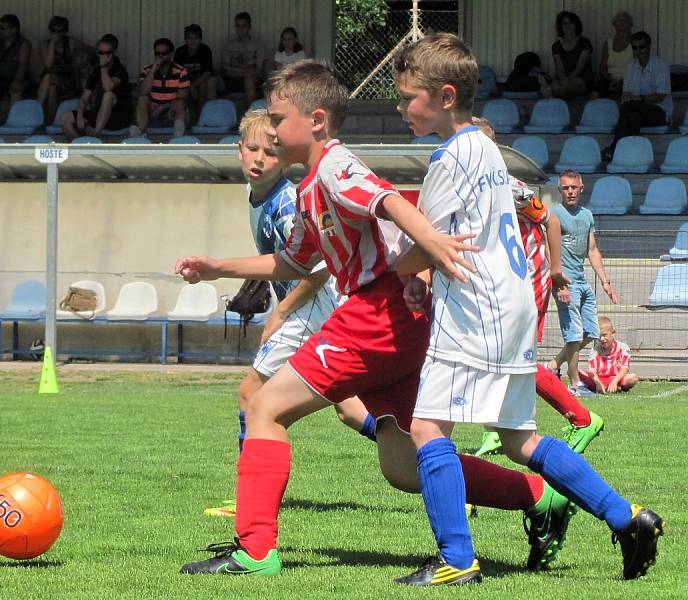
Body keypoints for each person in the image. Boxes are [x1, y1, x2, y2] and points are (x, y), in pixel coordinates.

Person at [177, 59, 580, 579]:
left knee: (264, 407)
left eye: (278, 120)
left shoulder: (337, 168)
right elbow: (295, 263)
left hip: (377, 313)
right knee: (404, 466)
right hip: (394, 321)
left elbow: (388, 199)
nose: (271, 131)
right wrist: (216, 267)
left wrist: (430, 243)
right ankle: (538, 498)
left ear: (316, 121)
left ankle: (256, 551)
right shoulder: (309, 188)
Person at [393, 33, 662, 586]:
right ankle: (627, 516)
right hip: (511, 302)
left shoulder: (449, 157)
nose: (400, 108)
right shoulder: (488, 149)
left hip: (475, 305)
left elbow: (430, 239)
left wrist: (405, 270)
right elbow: (519, 215)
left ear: (445, 96)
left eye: (407, 97)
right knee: (518, 438)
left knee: (426, 427)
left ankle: (456, 559)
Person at [203, 108, 378, 518]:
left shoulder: (285, 202)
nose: (259, 158)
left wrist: (280, 311)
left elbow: (317, 266)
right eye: (252, 149)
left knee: (252, 392)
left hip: (313, 308)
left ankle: (251, 497)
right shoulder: (259, 197)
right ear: (238, 151)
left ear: (284, 158)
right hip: (321, 309)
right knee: (351, 409)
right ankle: (442, 469)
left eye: (270, 151)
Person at [465, 118, 605, 459]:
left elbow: (551, 220)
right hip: (499, 283)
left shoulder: (510, 187)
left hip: (526, 281)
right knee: (497, 358)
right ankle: (503, 428)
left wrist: (556, 271)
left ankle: (580, 417)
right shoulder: (475, 184)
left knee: (510, 359)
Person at [546, 170, 618, 396]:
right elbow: (549, 250)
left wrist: (604, 280)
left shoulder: (587, 215)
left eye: (573, 187)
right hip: (565, 282)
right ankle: (575, 383)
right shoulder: (554, 215)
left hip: (582, 280)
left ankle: (553, 365)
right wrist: (559, 284)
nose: (570, 192)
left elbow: (593, 250)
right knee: (574, 334)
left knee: (592, 331)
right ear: (560, 191)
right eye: (565, 188)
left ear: (581, 188)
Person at [601, 31, 672, 161]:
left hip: (659, 112)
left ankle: (615, 147)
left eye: (642, 47)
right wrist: (636, 99)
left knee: (629, 107)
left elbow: (660, 97)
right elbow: (626, 94)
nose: (638, 50)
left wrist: (638, 99)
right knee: (633, 118)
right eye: (635, 47)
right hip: (637, 111)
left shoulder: (661, 65)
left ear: (649, 47)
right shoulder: (630, 67)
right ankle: (630, 153)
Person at [61, 34, 131, 140]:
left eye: (107, 53)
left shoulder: (119, 69)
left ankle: (94, 136)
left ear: (113, 53)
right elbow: (84, 97)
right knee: (65, 117)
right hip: (100, 115)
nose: (104, 56)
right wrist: (80, 115)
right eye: (101, 53)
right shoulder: (96, 71)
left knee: (108, 95)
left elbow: (108, 87)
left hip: (119, 118)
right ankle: (80, 145)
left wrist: (103, 66)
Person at [130, 38, 189, 139]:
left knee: (179, 102)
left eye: (164, 53)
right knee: (142, 99)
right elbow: (143, 91)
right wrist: (153, 71)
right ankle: (141, 135)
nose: (161, 56)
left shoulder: (181, 71)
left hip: (171, 111)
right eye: (157, 53)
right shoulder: (147, 70)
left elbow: (183, 96)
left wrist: (163, 107)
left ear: (171, 53)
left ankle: (178, 137)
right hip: (152, 112)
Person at [37, 16, 89, 123]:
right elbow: (48, 65)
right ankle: (51, 121)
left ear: (65, 31)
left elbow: (91, 50)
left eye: (59, 31)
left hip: (69, 79)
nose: (55, 33)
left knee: (49, 79)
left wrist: (84, 63)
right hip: (52, 79)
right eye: (53, 30)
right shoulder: (45, 44)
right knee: (51, 88)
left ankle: (37, 109)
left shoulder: (71, 42)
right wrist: (52, 44)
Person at [579, 315, 639, 394]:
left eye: (604, 335)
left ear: (613, 333)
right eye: (599, 336)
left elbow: (625, 368)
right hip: (598, 380)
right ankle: (608, 388)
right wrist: (597, 383)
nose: (601, 339)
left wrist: (615, 381)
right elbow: (592, 371)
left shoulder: (623, 348)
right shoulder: (595, 350)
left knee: (633, 378)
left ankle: (615, 386)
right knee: (577, 372)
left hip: (616, 379)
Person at [0, 14, 32, 104]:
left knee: (16, 90)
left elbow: (23, 65)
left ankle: (14, 118)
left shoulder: (23, 44)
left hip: (17, 79)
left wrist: (16, 80)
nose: (0, 31)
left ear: (14, 30)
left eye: (3, 28)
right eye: (0, 27)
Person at [540, 11, 593, 99]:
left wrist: (566, 81)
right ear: (561, 26)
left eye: (570, 23)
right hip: (563, 80)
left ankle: (551, 92)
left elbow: (579, 68)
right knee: (556, 85)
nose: (567, 26)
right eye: (564, 23)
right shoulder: (557, 45)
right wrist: (563, 80)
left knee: (559, 86)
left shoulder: (584, 42)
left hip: (582, 80)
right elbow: (559, 69)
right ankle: (554, 92)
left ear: (576, 25)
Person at [220, 11, 264, 104]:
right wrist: (246, 72)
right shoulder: (229, 45)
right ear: (235, 27)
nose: (241, 29)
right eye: (238, 26)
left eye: (244, 26)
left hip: (252, 80)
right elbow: (225, 69)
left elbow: (258, 70)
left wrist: (235, 70)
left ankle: (250, 117)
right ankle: (209, 115)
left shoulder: (258, 45)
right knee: (212, 82)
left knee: (248, 81)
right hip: (231, 79)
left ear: (249, 27)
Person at [174, 24, 218, 106]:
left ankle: (205, 113)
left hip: (201, 80)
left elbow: (207, 72)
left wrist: (193, 86)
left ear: (200, 39)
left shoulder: (205, 50)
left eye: (196, 38)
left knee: (205, 84)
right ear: (185, 39)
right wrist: (189, 86)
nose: (193, 41)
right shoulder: (180, 51)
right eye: (190, 38)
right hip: (186, 80)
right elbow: (176, 73)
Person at [594, 12, 634, 98]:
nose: (622, 22)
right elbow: (602, 69)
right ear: (614, 25)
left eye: (625, 20)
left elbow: (640, 67)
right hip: (610, 80)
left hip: (629, 81)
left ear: (630, 24)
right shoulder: (608, 43)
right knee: (596, 90)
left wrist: (622, 82)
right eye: (619, 20)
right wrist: (612, 80)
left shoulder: (635, 43)